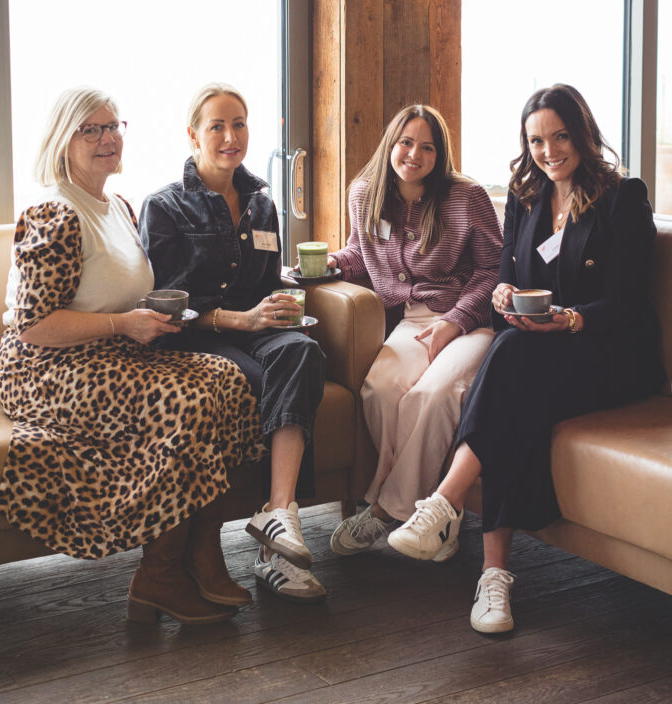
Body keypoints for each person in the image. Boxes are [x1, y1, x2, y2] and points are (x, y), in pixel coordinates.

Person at [388, 84, 665, 634]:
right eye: (537, 139)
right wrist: (501, 294)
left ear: (581, 134)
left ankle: (448, 511)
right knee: (517, 382)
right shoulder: (525, 195)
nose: (549, 150)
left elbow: (628, 302)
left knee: (512, 364)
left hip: (613, 356)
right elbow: (512, 276)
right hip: (544, 349)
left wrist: (571, 319)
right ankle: (489, 575)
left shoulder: (621, 196)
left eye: (560, 136)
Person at [0, 88, 265, 626]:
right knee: (186, 400)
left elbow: (113, 290)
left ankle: (201, 549)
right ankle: (160, 574)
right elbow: (34, 325)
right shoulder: (54, 211)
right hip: (44, 367)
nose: (107, 138)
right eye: (90, 130)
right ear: (63, 140)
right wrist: (123, 323)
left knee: (228, 379)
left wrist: (149, 318)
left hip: (110, 355)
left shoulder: (116, 205)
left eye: (114, 126)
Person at [139, 83, 327, 603]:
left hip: (256, 330)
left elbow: (270, 280)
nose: (230, 136)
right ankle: (270, 550)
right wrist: (237, 320)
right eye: (217, 126)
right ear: (193, 134)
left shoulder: (263, 205)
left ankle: (279, 515)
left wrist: (285, 303)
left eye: (239, 124)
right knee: (261, 380)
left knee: (302, 352)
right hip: (198, 340)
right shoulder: (164, 207)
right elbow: (164, 302)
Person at [327, 104, 502, 556]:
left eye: (427, 147)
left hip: (471, 320)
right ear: (391, 144)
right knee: (380, 388)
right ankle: (436, 525)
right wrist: (331, 263)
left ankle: (389, 511)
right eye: (406, 142)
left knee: (434, 395)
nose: (413, 154)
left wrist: (455, 321)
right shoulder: (364, 193)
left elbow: (493, 269)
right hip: (411, 319)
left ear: (440, 155)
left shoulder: (466, 197)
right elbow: (359, 253)